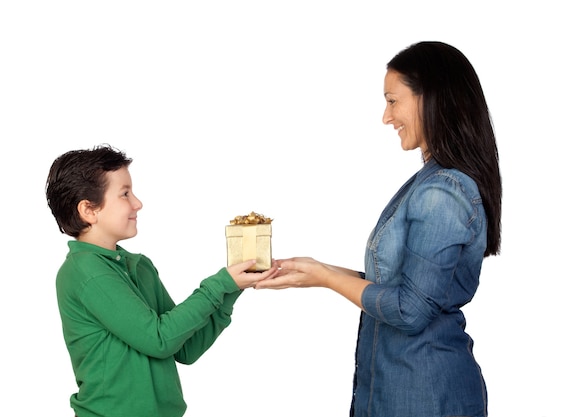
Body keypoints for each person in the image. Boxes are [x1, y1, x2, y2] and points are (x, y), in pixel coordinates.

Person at [256, 41, 502, 417]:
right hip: (393, 389)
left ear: (430, 99)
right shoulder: (429, 181)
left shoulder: (442, 192)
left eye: (392, 100)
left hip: (426, 396)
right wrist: (314, 271)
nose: (386, 117)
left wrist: (325, 278)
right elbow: (402, 284)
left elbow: (410, 310)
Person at [45, 144, 277, 417]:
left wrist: (233, 287)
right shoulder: (86, 271)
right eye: (124, 194)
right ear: (89, 210)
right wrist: (220, 284)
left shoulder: (139, 266)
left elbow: (186, 347)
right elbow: (159, 339)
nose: (137, 203)